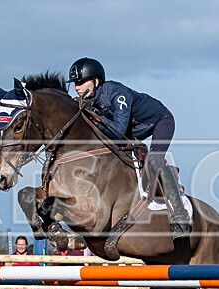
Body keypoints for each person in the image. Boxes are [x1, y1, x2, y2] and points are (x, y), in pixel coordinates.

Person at [67, 57, 191, 241]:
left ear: (96, 81)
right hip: (131, 130)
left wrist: (93, 115)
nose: (77, 88)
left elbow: (117, 131)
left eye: (81, 82)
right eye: (75, 84)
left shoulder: (117, 93)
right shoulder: (90, 99)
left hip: (160, 121)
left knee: (154, 160)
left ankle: (180, 214)